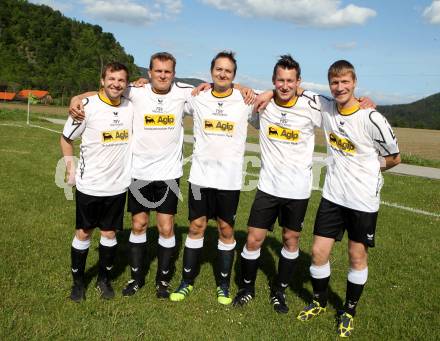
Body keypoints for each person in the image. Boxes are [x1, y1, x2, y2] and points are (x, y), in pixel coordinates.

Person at [69, 52, 194, 298]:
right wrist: (76, 97)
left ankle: (163, 281)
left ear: (174, 74)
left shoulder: (183, 93)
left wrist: (245, 87)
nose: (162, 75)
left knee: (166, 227)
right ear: (149, 73)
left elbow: (216, 88)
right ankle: (136, 278)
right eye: (158, 70)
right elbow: (104, 93)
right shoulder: (135, 91)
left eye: (167, 71)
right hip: (138, 172)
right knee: (139, 224)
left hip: (169, 173)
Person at [296, 60, 400, 338]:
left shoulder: (371, 118)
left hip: (362, 200)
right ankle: (319, 301)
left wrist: (370, 168)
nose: (339, 87)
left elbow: (395, 158)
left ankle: (349, 311)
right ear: (330, 84)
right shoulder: (327, 108)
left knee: (356, 256)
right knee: (318, 253)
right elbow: (294, 89)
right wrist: (269, 93)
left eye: (345, 82)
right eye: (334, 82)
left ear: (354, 83)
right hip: (333, 196)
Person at [232, 55, 321, 313]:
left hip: (298, 189)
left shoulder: (310, 106)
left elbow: (337, 105)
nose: (284, 86)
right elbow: (231, 88)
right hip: (268, 187)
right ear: (273, 81)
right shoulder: (262, 103)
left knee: (291, 240)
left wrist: (364, 102)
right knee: (253, 239)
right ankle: (247, 288)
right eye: (280, 80)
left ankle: (279, 291)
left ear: (298, 82)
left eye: (290, 81)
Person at [169, 51, 257, 305]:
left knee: (226, 229)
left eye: (228, 71)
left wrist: (244, 88)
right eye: (219, 69)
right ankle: (186, 282)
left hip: (229, 181)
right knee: (196, 227)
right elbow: (162, 90)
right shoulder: (199, 97)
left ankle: (223, 286)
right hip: (200, 177)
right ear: (211, 72)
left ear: (234, 75)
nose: (222, 74)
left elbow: (272, 96)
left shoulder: (245, 100)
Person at [61, 62, 133, 302]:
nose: (116, 84)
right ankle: (78, 284)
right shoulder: (86, 107)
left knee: (110, 233)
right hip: (89, 184)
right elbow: (65, 139)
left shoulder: (130, 107)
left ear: (126, 84)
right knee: (83, 232)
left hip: (117, 186)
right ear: (102, 80)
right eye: (111, 79)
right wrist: (70, 168)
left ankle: (103, 280)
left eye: (121, 80)